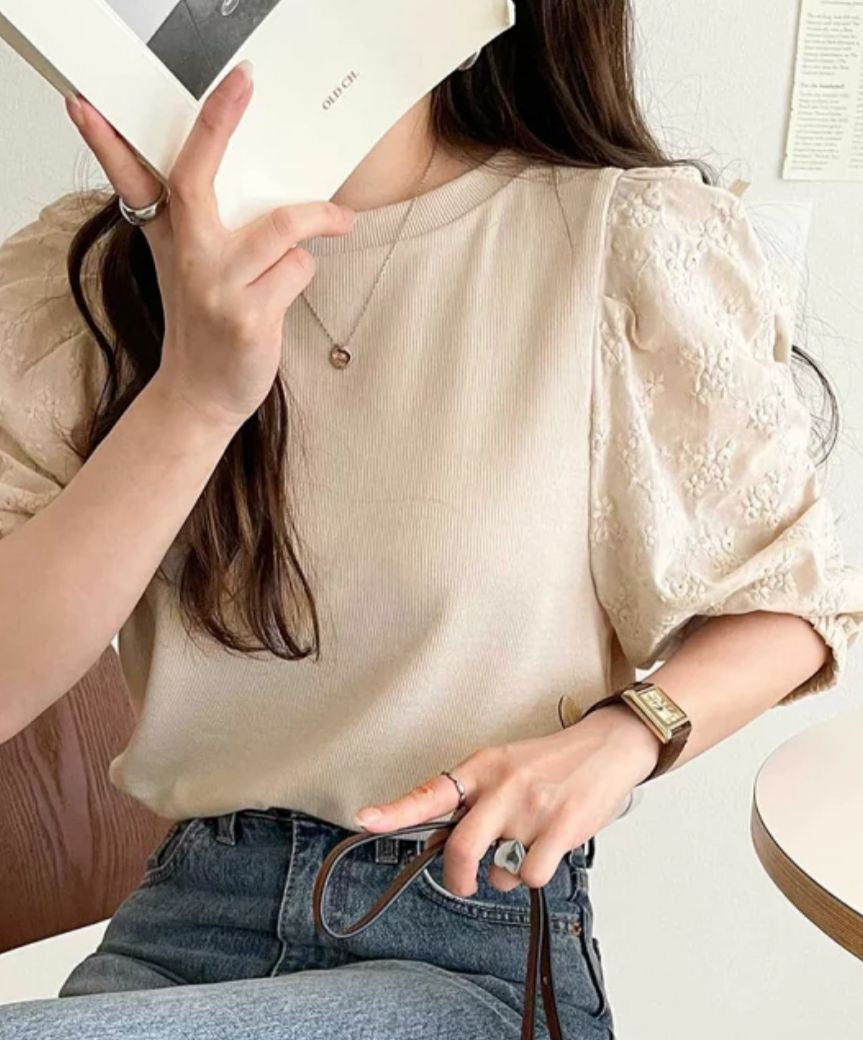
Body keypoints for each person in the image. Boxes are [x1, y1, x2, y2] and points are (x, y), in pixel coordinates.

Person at [1, 2, 862, 1037]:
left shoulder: (617, 242)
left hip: (468, 942)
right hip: (176, 934)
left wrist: (626, 733)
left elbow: (788, 601)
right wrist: (193, 395)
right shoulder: (95, 279)